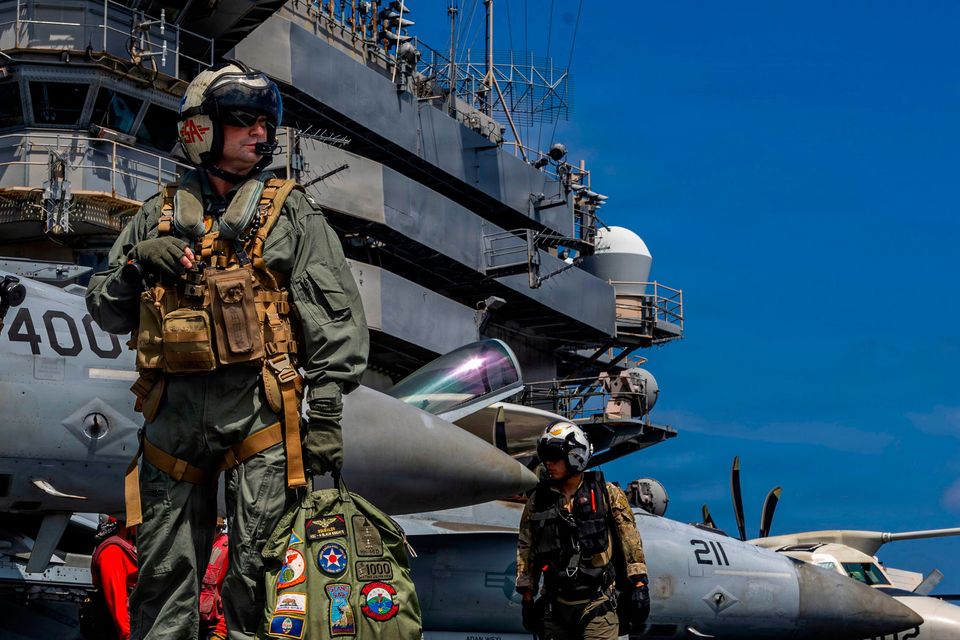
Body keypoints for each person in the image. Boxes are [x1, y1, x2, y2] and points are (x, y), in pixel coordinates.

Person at [86, 60, 368, 640]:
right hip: (172, 423)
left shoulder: (291, 213)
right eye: (244, 122)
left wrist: (327, 414)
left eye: (265, 124)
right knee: (162, 575)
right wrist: (140, 265)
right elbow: (105, 308)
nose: (260, 135)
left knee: (260, 576)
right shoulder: (155, 217)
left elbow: (334, 318)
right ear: (201, 129)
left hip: (258, 418)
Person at [515, 423, 651, 640]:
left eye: (554, 457)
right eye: (546, 457)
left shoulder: (608, 494)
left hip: (597, 606)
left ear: (575, 456)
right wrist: (527, 595)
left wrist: (639, 584)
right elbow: (526, 548)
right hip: (555, 608)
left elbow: (630, 541)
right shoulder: (538, 502)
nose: (548, 463)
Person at [89, 517, 138, 640]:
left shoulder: (127, 547)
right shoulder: (113, 551)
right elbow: (117, 600)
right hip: (122, 631)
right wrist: (128, 636)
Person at [198, 518, 229, 640]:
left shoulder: (227, 550)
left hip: (213, 629)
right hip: (190, 624)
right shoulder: (190, 547)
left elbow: (234, 596)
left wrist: (221, 632)